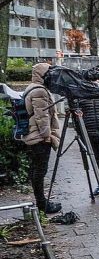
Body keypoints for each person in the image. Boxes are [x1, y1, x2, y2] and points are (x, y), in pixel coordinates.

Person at [22, 62, 61, 214]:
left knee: (36, 169)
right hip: (38, 137)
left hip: (34, 135)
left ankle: (41, 202)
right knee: (40, 170)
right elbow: (42, 116)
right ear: (42, 75)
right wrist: (47, 136)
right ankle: (42, 204)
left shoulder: (32, 87)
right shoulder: (39, 91)